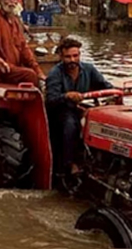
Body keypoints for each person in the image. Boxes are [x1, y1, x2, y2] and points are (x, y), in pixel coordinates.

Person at [45, 37, 112, 181]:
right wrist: (66, 96)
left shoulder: (89, 69)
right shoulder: (55, 74)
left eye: (75, 56)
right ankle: (69, 165)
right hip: (60, 111)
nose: (72, 60)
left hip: (81, 108)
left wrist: (116, 93)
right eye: (68, 57)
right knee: (70, 124)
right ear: (61, 57)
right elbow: (50, 100)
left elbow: (105, 86)